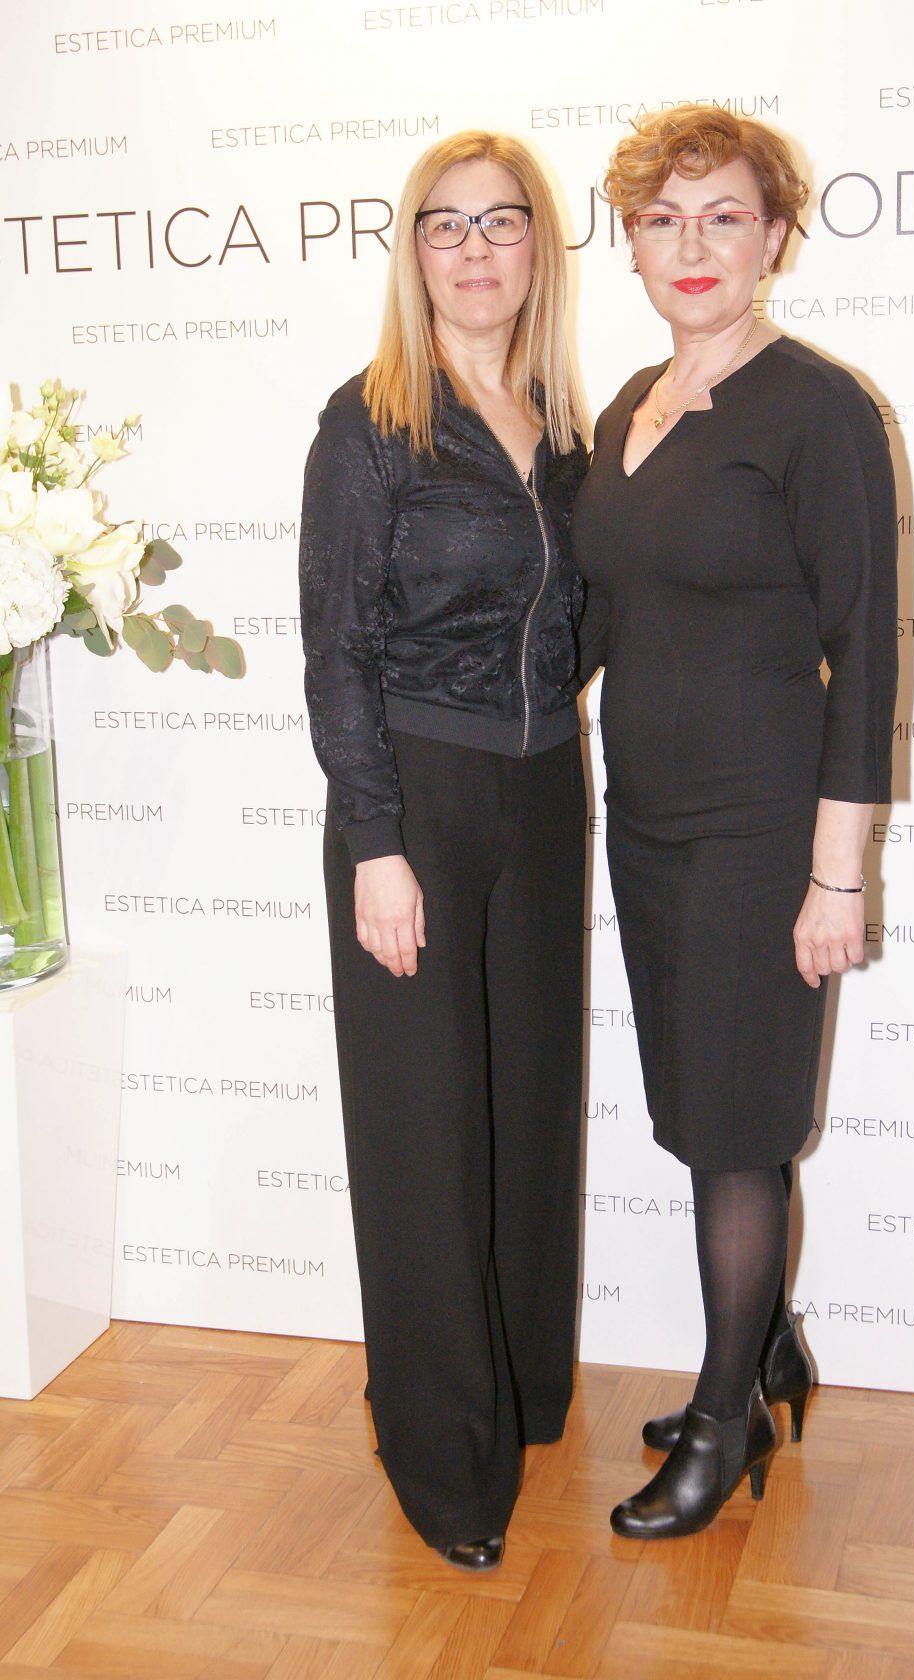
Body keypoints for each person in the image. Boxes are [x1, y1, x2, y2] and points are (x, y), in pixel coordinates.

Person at [573, 104, 898, 1539]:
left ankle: (725, 1419)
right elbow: (597, 618)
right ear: (632, 244)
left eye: (723, 216)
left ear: (775, 236)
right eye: (663, 220)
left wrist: (839, 878)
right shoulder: (627, 408)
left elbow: (865, 653)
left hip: (763, 835)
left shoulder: (819, 409)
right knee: (703, 1110)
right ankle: (767, 1353)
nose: (691, 245)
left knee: (734, 1131)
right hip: (644, 823)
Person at [298, 131, 589, 1571]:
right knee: (423, 1139)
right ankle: (440, 1461)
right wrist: (376, 841)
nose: (476, 251)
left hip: (547, 794)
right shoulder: (371, 421)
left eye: (502, 223)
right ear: (412, 254)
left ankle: (523, 1395)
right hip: (414, 799)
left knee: (530, 1112)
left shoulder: (569, 430)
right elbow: (336, 647)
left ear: (541, 249)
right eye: (445, 226)